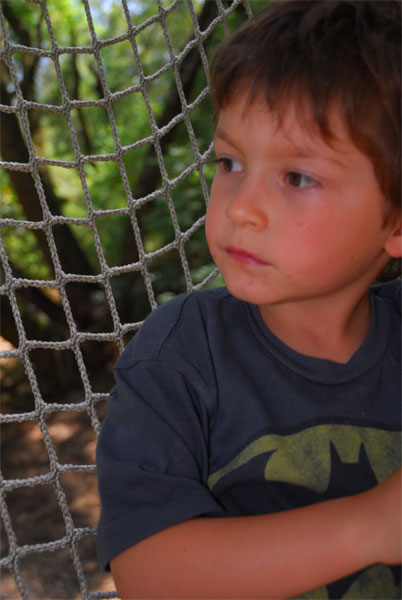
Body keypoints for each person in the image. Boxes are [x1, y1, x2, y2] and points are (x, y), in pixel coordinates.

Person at [96, 1, 402, 597]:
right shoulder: (182, 355)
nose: (239, 207)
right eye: (231, 163)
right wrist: (371, 527)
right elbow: (147, 575)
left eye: (297, 177)